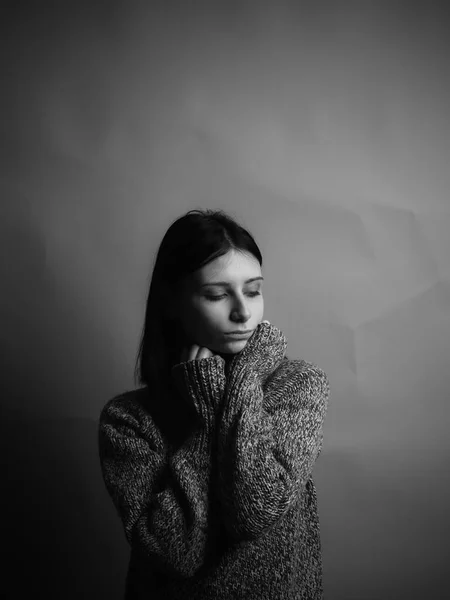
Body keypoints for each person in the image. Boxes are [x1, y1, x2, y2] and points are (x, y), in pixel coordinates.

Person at [98, 208, 330, 599]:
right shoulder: (127, 420)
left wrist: (244, 374)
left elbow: (256, 511)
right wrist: (208, 419)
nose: (243, 312)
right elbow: (175, 554)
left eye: (253, 291)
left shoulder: (298, 386)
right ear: (173, 302)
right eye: (217, 294)